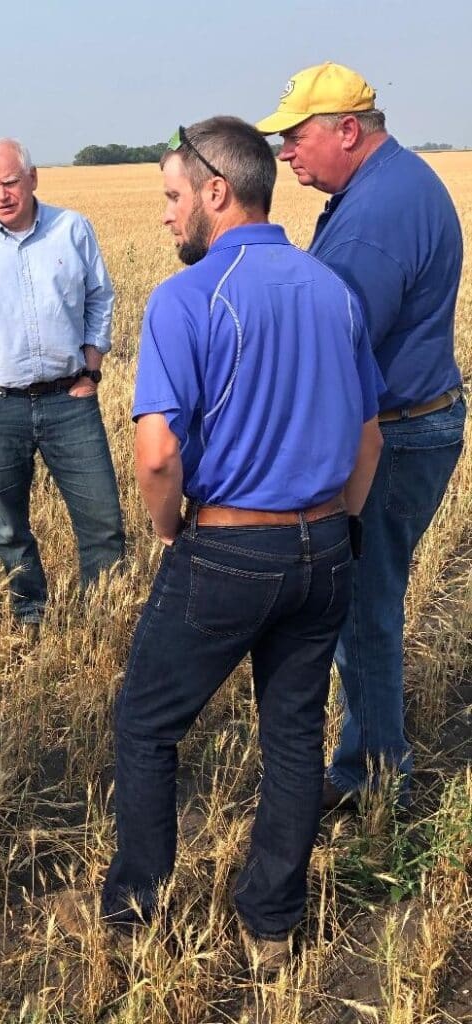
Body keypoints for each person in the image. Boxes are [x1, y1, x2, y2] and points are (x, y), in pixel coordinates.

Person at [96, 117, 383, 968]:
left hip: (227, 548)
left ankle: (133, 915)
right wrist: (345, 525)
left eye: (172, 197)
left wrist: (171, 532)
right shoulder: (331, 288)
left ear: (216, 192)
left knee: (147, 725)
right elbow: (367, 437)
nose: (165, 216)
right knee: (293, 735)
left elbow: (156, 454)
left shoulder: (186, 297)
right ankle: (269, 926)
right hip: (325, 545)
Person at [256, 62, 466, 809]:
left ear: (347, 130)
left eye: (294, 136)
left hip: (398, 433)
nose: (284, 154)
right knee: (365, 601)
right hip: (417, 419)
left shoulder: (376, 215)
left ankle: (374, 777)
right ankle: (369, 759)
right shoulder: (389, 185)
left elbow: (332, 344)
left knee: (362, 608)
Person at [0, 138, 125, 627]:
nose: (2, 194)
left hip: (70, 400)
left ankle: (102, 616)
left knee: (101, 519)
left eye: (11, 182)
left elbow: (101, 297)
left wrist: (93, 366)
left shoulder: (72, 229)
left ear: (33, 178)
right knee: (10, 526)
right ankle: (29, 611)